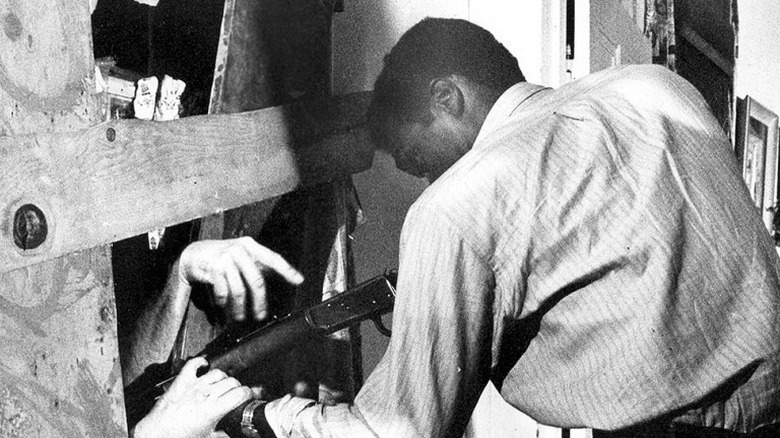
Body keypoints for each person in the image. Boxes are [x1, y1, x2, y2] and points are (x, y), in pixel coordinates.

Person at [133, 17, 780, 438]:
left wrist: (252, 414)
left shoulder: (457, 206)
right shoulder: (657, 88)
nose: (424, 180)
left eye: (418, 159)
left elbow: (397, 433)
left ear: (447, 97)